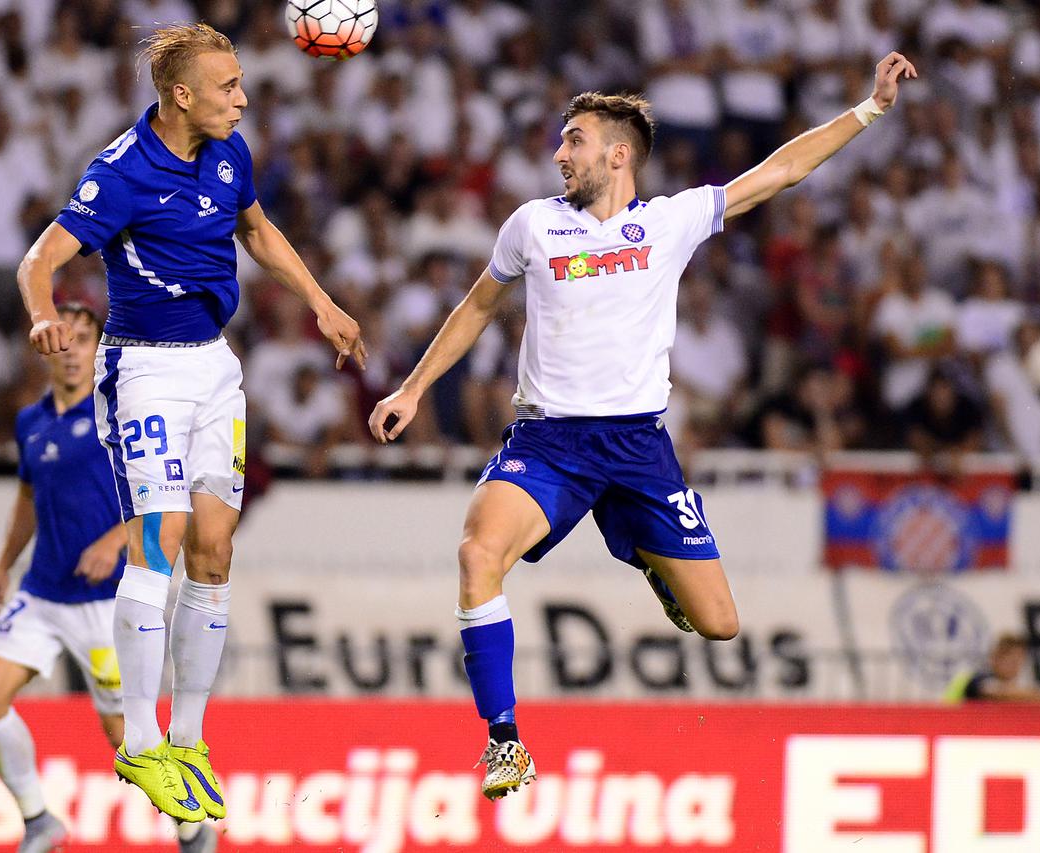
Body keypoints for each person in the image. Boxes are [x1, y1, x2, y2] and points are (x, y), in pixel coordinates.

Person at [370, 54, 917, 799]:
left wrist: (872, 108)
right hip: (549, 443)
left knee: (719, 623)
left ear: (617, 154)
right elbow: (475, 307)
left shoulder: (670, 221)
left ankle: (656, 565)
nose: (560, 154)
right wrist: (411, 388)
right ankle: (505, 742)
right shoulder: (533, 225)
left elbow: (779, 172)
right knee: (477, 555)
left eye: (574, 140)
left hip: (636, 447)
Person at [16, 23, 365, 825]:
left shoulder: (228, 151)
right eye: (228, 86)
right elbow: (40, 259)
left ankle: (188, 739)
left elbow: (257, 230)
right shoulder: (121, 172)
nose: (243, 98)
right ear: (181, 95)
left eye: (241, 83)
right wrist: (42, 317)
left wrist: (320, 299)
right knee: (161, 534)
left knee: (213, 547)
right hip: (143, 370)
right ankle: (139, 741)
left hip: (216, 367)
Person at [0, 305, 128, 852]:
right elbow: (28, 498)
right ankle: (39, 820)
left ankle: (190, 827)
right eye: (65, 340)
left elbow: (167, 499)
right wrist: (2, 565)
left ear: (99, 348)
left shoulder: (121, 414)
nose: (75, 350)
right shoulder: (30, 421)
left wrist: (115, 540)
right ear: (47, 351)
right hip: (41, 592)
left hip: (105, 603)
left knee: (126, 743)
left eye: (86, 339)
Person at [947, 633, 1040, 703]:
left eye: (1019, 662)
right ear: (995, 657)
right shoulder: (976, 681)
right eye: (1012, 661)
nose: (1016, 668)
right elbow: (1000, 693)